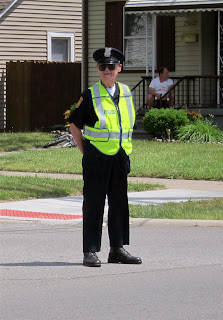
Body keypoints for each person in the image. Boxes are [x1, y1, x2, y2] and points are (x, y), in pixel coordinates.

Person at [69, 47, 142, 267]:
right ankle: (90, 251)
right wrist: (86, 152)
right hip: (96, 157)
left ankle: (117, 249)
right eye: (102, 67)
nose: (106, 70)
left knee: (119, 203)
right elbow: (74, 126)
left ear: (119, 68)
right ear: (98, 69)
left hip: (120, 155)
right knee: (94, 203)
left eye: (111, 66)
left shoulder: (127, 92)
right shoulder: (89, 95)